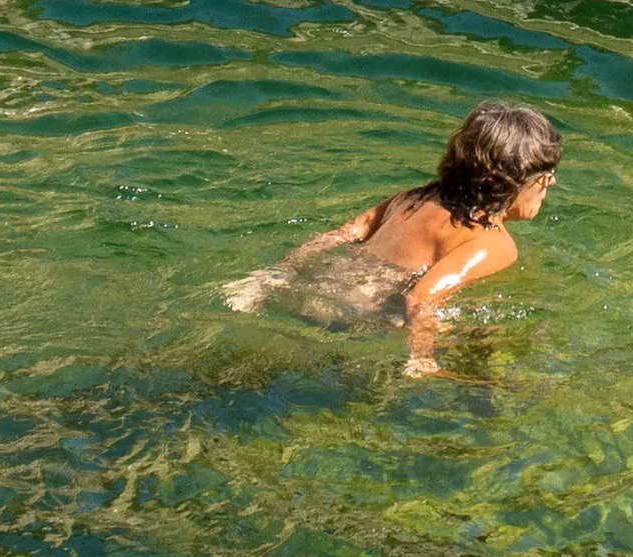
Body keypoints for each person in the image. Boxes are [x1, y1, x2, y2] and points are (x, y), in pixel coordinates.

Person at [222, 101, 561, 376]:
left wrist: (279, 273)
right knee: (486, 343)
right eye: (547, 175)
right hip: (362, 319)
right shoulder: (492, 243)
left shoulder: (412, 199)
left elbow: (344, 233)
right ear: (521, 182)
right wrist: (422, 357)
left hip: (316, 291)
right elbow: (420, 298)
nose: (551, 185)